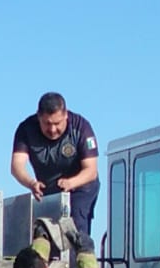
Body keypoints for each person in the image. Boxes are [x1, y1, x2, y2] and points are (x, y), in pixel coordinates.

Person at [11, 93, 100, 240]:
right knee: (44, 233)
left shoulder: (81, 127)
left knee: (75, 230)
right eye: (47, 123)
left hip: (80, 187)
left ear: (66, 115)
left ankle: (79, 260)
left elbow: (91, 171)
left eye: (57, 124)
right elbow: (16, 166)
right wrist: (31, 183)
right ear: (38, 117)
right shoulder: (26, 129)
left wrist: (71, 183)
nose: (52, 129)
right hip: (48, 190)